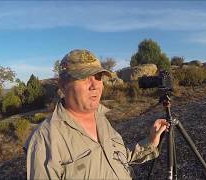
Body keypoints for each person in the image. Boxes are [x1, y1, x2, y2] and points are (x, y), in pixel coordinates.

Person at [25, 49, 169, 179]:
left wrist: (150, 142)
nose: (94, 86)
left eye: (98, 77)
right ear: (63, 85)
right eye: (84, 78)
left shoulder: (101, 118)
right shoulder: (44, 140)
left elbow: (117, 157)